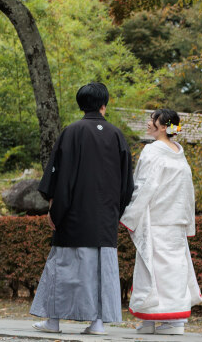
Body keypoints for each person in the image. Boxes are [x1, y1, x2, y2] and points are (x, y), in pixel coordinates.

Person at [30, 82, 134, 335]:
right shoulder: (116, 135)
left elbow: (60, 178)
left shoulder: (72, 132)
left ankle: (53, 322)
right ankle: (97, 323)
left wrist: (55, 211)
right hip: (104, 219)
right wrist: (114, 212)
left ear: (81, 105)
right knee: (100, 272)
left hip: (74, 216)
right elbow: (127, 185)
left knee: (64, 269)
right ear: (104, 105)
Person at [120, 108, 201, 336]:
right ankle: (167, 321)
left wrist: (130, 213)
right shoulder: (179, 153)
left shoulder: (153, 151)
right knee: (174, 270)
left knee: (151, 270)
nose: (148, 123)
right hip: (175, 220)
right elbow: (188, 192)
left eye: (152, 120)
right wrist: (187, 221)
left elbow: (144, 185)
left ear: (164, 126)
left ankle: (161, 320)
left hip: (156, 220)